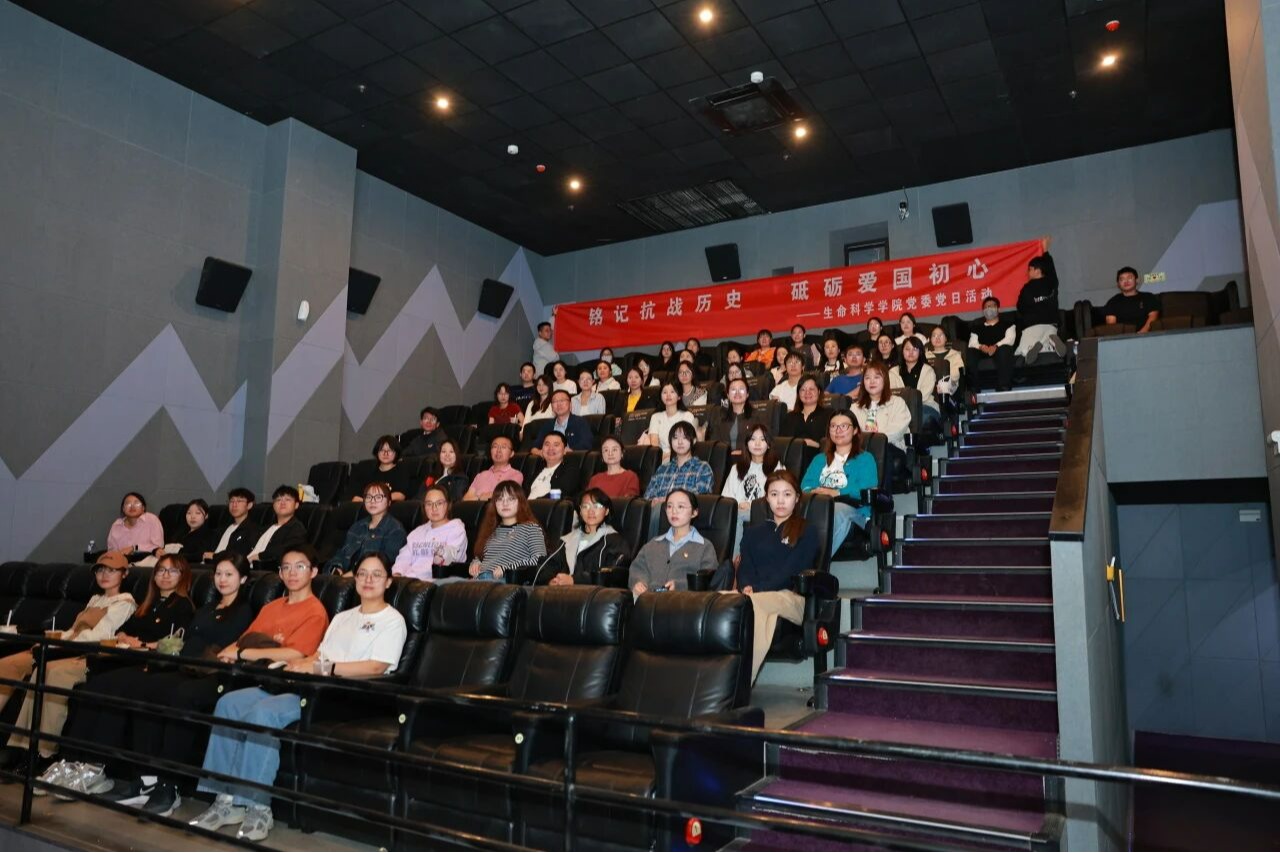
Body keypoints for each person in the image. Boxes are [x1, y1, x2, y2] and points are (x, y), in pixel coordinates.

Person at [190, 551, 401, 842]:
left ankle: (257, 806)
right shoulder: (343, 617)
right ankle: (225, 800)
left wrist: (324, 668)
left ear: (388, 581)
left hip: (344, 695)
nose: (368, 580)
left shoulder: (392, 620)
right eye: (362, 573)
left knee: (264, 712)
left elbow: (376, 667)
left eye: (377, 575)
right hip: (306, 684)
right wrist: (299, 663)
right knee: (230, 703)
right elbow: (319, 653)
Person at [80, 552, 255, 816]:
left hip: (214, 674)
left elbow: (226, 648)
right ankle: (145, 778)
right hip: (185, 667)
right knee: (144, 689)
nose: (222, 579)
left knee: (180, 697)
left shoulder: (244, 611)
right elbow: (185, 643)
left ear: (242, 579)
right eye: (218, 574)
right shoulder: (207, 609)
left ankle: (169, 786)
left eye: (229, 574)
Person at [41, 555, 197, 796]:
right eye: (160, 570)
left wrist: (141, 643)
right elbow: (123, 631)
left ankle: (96, 768)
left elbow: (174, 642)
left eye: (172, 571)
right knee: (94, 687)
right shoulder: (148, 603)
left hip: (150, 665)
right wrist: (127, 638)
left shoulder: (183, 606)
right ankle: (71, 762)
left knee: (112, 689)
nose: (165, 576)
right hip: (126, 659)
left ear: (183, 576)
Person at [0, 554, 137, 777]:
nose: (104, 575)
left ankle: (37, 750)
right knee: (7, 664)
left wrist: (59, 644)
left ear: (125, 574)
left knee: (45, 672)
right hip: (65, 646)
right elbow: (74, 630)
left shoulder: (125, 603)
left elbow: (99, 635)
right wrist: (50, 639)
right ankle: (17, 744)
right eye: (100, 570)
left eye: (112, 570)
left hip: (81, 652)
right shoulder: (95, 599)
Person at [734, 470, 822, 681]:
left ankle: (738, 686)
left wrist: (757, 590)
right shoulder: (753, 532)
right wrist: (746, 586)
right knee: (723, 601)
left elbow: (792, 570)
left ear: (797, 498)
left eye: (787, 494)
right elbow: (745, 567)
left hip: (791, 597)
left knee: (752, 604)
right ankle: (722, 680)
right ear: (766, 498)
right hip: (756, 596)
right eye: (774, 494)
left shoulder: (807, 530)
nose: (780, 501)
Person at [801, 412, 879, 553]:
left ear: (855, 430)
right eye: (833, 426)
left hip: (855, 511)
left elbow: (867, 489)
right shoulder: (819, 459)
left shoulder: (865, 459)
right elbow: (805, 486)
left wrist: (836, 492)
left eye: (844, 426)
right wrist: (816, 493)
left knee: (836, 511)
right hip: (820, 507)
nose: (838, 430)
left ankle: (815, 562)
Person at [628, 489, 718, 595]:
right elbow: (637, 568)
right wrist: (639, 582)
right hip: (648, 599)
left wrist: (679, 586)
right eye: (669, 506)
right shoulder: (653, 544)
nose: (674, 511)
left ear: (694, 512)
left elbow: (708, 579)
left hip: (683, 600)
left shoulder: (704, 547)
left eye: (680, 506)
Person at [543, 488, 633, 586]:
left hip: (595, 594)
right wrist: (551, 581)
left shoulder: (615, 542)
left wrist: (574, 580)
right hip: (562, 593)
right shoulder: (566, 540)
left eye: (597, 506)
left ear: (606, 511)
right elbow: (548, 568)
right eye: (585, 506)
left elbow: (614, 575)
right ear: (580, 511)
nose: (591, 511)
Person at [721, 424, 782, 556]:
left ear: (769, 444)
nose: (757, 443)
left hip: (765, 512)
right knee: (733, 514)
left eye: (762, 439)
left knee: (736, 515)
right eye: (753, 439)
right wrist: (737, 506)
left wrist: (752, 505)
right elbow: (726, 499)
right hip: (739, 510)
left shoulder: (777, 468)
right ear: (746, 444)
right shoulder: (736, 468)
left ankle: (735, 559)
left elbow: (779, 497)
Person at [324, 481, 407, 575]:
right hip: (343, 577)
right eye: (368, 497)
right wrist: (336, 568)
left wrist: (352, 575)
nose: (372, 501)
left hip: (368, 578)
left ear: (389, 502)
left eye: (378, 497)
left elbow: (385, 563)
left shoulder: (395, 530)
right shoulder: (357, 526)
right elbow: (341, 554)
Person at [468, 483, 546, 580]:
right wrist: (476, 563)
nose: (505, 503)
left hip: (507, 581)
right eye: (500, 499)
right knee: (450, 582)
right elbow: (482, 558)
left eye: (511, 499)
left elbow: (540, 561)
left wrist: (508, 568)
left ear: (520, 502)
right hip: (480, 579)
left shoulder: (531, 528)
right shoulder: (491, 530)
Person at [851, 363, 912, 481]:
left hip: (891, 447)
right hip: (862, 448)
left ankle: (882, 492)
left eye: (877, 377)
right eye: (867, 378)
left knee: (882, 451)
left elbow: (897, 431)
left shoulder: (897, 402)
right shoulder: (855, 407)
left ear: (885, 380)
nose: (872, 381)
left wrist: (876, 440)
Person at [392, 487, 468, 580]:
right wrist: (397, 575)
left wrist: (412, 578)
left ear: (448, 505)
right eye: (429, 504)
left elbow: (445, 564)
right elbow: (403, 558)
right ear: (424, 507)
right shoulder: (418, 532)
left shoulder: (456, 529)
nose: (434, 508)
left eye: (439, 503)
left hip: (438, 582)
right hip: (410, 582)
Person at [1016, 249, 1066, 362]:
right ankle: (1051, 343)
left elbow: (1020, 307)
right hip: (1051, 325)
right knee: (1048, 350)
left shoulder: (1026, 288)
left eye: (1030, 269)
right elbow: (1051, 270)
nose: (1028, 273)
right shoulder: (1051, 282)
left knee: (1022, 353)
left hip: (1032, 326)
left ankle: (1033, 347)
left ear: (1037, 271)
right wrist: (1046, 252)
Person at [644, 422, 713, 501]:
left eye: (685, 437)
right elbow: (647, 498)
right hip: (658, 508)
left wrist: (668, 501)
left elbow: (702, 500)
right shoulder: (662, 469)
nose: (680, 442)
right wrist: (654, 502)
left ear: (694, 441)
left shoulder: (702, 468)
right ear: (670, 442)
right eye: (675, 438)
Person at [246, 486, 308, 566]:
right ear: (273, 505)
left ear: (296, 505)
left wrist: (257, 556)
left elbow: (285, 550)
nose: (282, 503)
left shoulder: (297, 529)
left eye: (287, 499)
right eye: (278, 500)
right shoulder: (265, 528)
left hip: (266, 569)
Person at [966, 296, 1017, 391]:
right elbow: (972, 343)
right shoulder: (976, 327)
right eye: (986, 307)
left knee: (1005, 348)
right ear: (983, 311)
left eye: (992, 306)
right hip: (983, 351)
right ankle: (974, 387)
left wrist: (996, 346)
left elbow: (1010, 339)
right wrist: (981, 347)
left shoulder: (1008, 325)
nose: (989, 309)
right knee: (971, 351)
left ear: (998, 309)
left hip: (1000, 351)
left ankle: (1003, 385)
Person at [891, 337, 941, 431]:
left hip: (924, 406)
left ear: (920, 352)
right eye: (907, 349)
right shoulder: (893, 372)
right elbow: (892, 394)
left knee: (922, 419)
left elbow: (924, 395)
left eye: (914, 349)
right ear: (902, 352)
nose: (910, 352)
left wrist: (906, 408)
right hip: (899, 410)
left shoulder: (928, 370)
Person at [104, 492, 164, 564]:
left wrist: (134, 548)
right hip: (123, 563)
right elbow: (112, 551)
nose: (132, 506)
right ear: (123, 509)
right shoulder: (116, 525)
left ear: (143, 508)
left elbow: (158, 546)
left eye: (136, 503)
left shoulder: (151, 519)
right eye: (128, 504)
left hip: (147, 560)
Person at [352, 435, 414, 502]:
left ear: (396, 453)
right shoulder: (369, 471)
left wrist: (376, 499)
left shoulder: (401, 471)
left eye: (389, 450)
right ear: (377, 453)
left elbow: (400, 496)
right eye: (382, 450)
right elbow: (358, 496)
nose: (385, 454)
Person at [204, 488, 261, 561]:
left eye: (239, 501)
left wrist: (215, 556)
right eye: (231, 501)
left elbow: (239, 555)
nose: (234, 505)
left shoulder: (252, 530)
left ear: (249, 505)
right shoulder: (222, 529)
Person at [158, 499, 221, 563]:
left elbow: (201, 555)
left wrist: (176, 552)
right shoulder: (180, 532)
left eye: (198, 513)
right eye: (189, 513)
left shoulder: (210, 535)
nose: (192, 517)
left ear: (206, 516)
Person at [462, 435, 523, 501]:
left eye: (503, 447)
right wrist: (481, 498)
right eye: (495, 446)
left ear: (511, 454)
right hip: (476, 507)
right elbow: (466, 499)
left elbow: (504, 495)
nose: (498, 450)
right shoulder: (481, 475)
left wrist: (479, 497)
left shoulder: (516, 475)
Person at [648, 382, 698, 459]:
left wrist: (669, 456)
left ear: (679, 396)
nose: (668, 395)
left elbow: (687, 442)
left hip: (681, 455)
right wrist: (662, 457)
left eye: (672, 392)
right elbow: (654, 444)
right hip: (660, 457)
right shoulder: (655, 417)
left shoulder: (687, 416)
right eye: (665, 392)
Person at [1104, 265, 1161, 333]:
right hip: (1123, 337)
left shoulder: (1148, 297)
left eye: (1129, 278)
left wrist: (1141, 334)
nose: (1126, 281)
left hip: (1146, 335)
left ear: (1137, 280)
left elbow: (1153, 317)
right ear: (1118, 284)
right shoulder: (1113, 302)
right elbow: (1112, 326)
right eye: (1122, 279)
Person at [706, 377, 755, 455]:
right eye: (733, 390)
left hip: (748, 458)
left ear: (747, 394)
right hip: (724, 458)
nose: (737, 393)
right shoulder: (720, 417)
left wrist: (743, 452)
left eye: (741, 389)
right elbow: (714, 444)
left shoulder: (756, 417)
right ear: (728, 395)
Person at [527, 432, 581, 500]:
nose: (551, 448)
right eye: (547, 444)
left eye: (556, 445)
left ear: (565, 450)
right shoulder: (537, 468)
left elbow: (560, 494)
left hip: (546, 506)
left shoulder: (570, 470)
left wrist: (534, 503)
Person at [782, 376, 831, 448]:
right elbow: (782, 444)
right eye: (803, 390)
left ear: (819, 391)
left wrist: (817, 445)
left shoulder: (829, 415)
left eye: (811, 389)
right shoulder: (789, 417)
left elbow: (834, 443)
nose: (807, 392)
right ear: (798, 394)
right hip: (794, 454)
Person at [419, 439, 469, 504]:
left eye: (451, 452)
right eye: (443, 451)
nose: (447, 455)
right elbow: (418, 497)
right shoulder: (431, 476)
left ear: (456, 455)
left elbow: (455, 502)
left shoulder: (460, 479)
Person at [928, 327, 964, 397]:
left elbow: (956, 375)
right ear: (930, 339)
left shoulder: (955, 354)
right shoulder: (925, 356)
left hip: (950, 388)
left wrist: (943, 384)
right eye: (934, 336)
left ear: (946, 338)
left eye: (940, 335)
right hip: (930, 390)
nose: (937, 338)